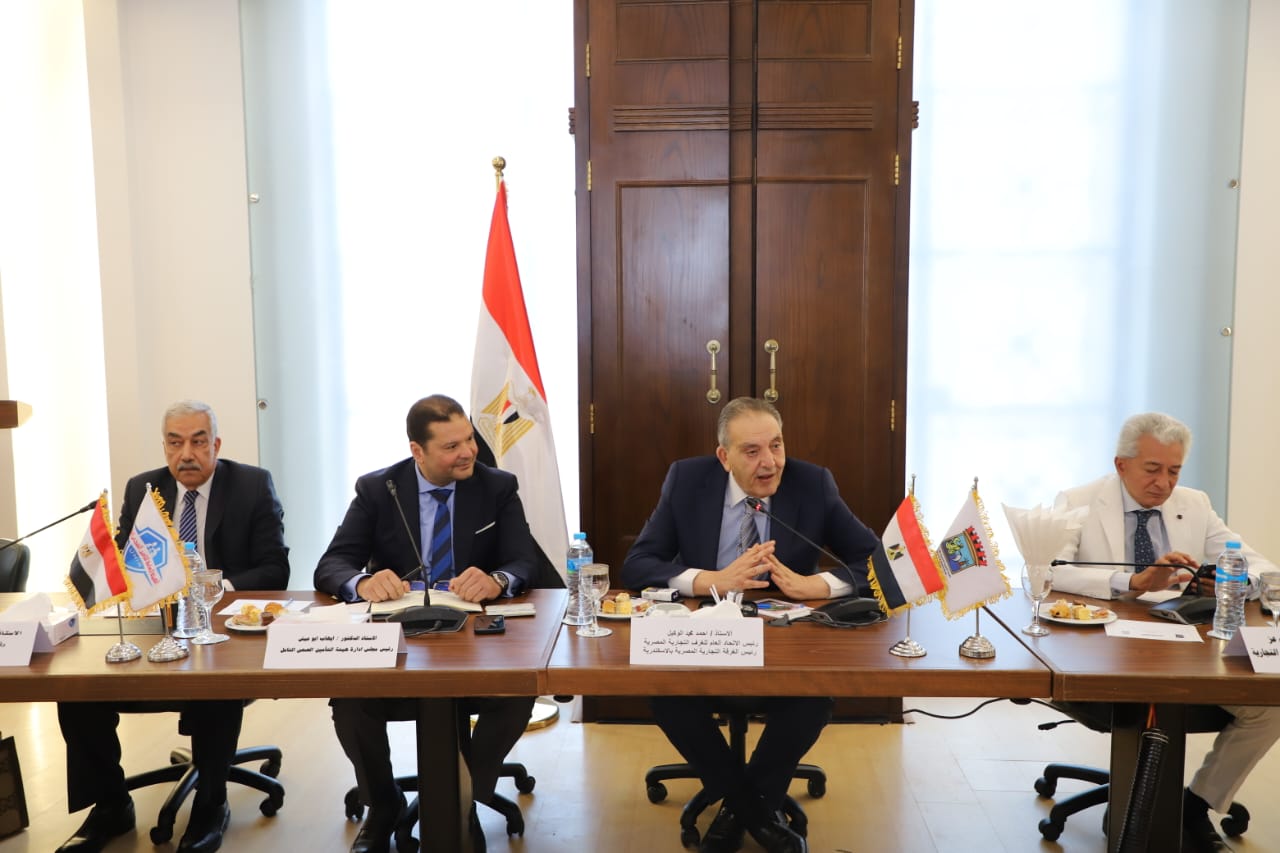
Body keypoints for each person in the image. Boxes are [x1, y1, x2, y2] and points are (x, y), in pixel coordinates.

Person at [622, 397, 879, 853]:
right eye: (752, 451)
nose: (770, 463)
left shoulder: (812, 483)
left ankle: (736, 812)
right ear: (724, 457)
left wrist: (816, 584)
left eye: (776, 446)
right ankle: (758, 815)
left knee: (815, 696)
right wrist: (708, 580)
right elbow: (638, 564)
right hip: (706, 638)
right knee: (666, 694)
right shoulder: (687, 480)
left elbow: (876, 563)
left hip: (785, 643)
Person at [57, 400, 290, 853]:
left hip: (221, 632)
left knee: (214, 683)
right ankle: (110, 803)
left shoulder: (251, 485)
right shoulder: (143, 488)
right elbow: (123, 564)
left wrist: (206, 588)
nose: (187, 454)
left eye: (199, 442)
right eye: (175, 443)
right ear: (164, 447)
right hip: (155, 630)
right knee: (78, 688)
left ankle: (211, 803)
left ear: (216, 445)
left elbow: (275, 570)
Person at [314, 394, 539, 853]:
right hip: (400, 639)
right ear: (417, 451)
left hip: (473, 639)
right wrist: (363, 583)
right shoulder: (379, 489)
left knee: (518, 692)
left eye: (469, 439)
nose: (469, 452)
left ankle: (466, 797)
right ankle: (384, 804)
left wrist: (497, 579)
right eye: (452, 446)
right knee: (350, 702)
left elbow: (525, 561)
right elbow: (332, 564)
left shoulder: (496, 486)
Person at [1053, 411, 1280, 853]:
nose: (1164, 483)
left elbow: (1259, 566)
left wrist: (1232, 579)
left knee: (1270, 703)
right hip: (1103, 652)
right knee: (1154, 702)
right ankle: (1135, 808)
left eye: (1174, 471)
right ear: (1121, 464)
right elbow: (1051, 571)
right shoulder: (1079, 501)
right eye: (1152, 469)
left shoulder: (1194, 504)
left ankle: (1195, 804)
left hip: (1184, 648)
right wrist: (1132, 582)